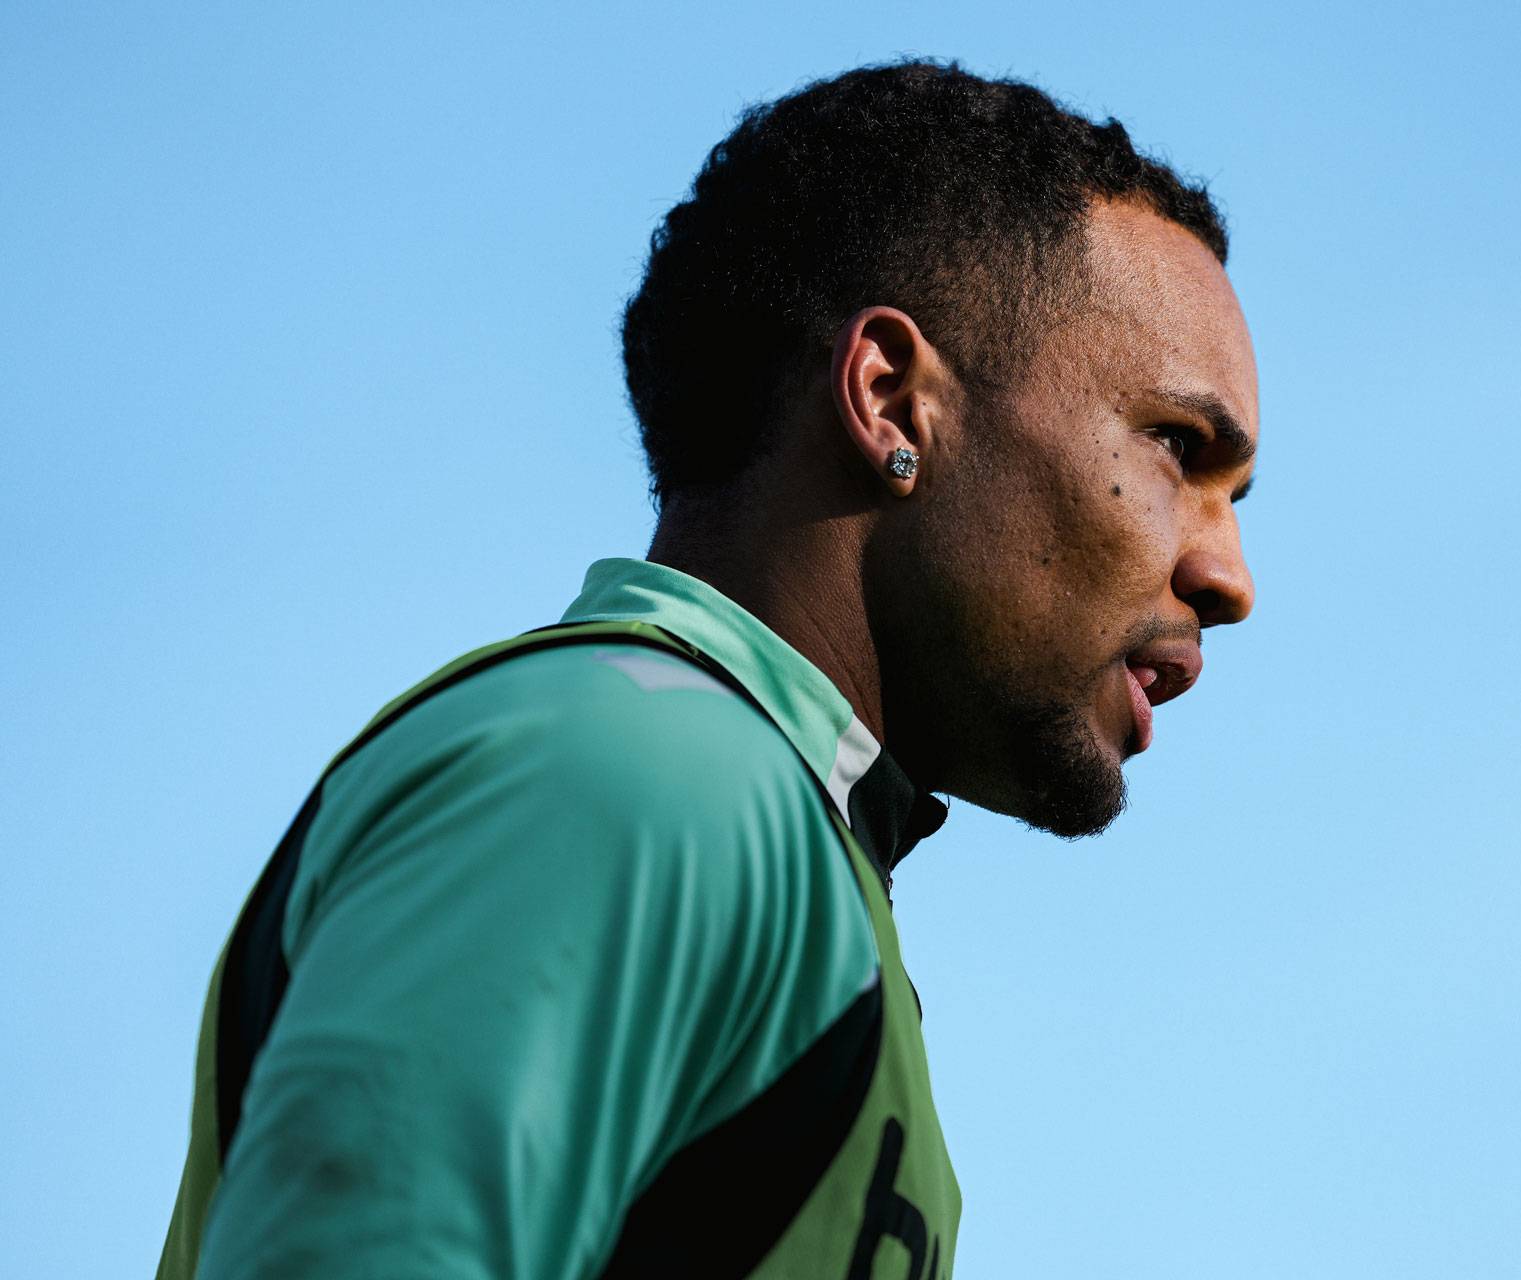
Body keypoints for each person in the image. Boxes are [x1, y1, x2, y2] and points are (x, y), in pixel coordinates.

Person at [157, 58, 1257, 1279]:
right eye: (1177, 446)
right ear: (890, 401)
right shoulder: (646, 769)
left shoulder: (785, 847)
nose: (1230, 574)